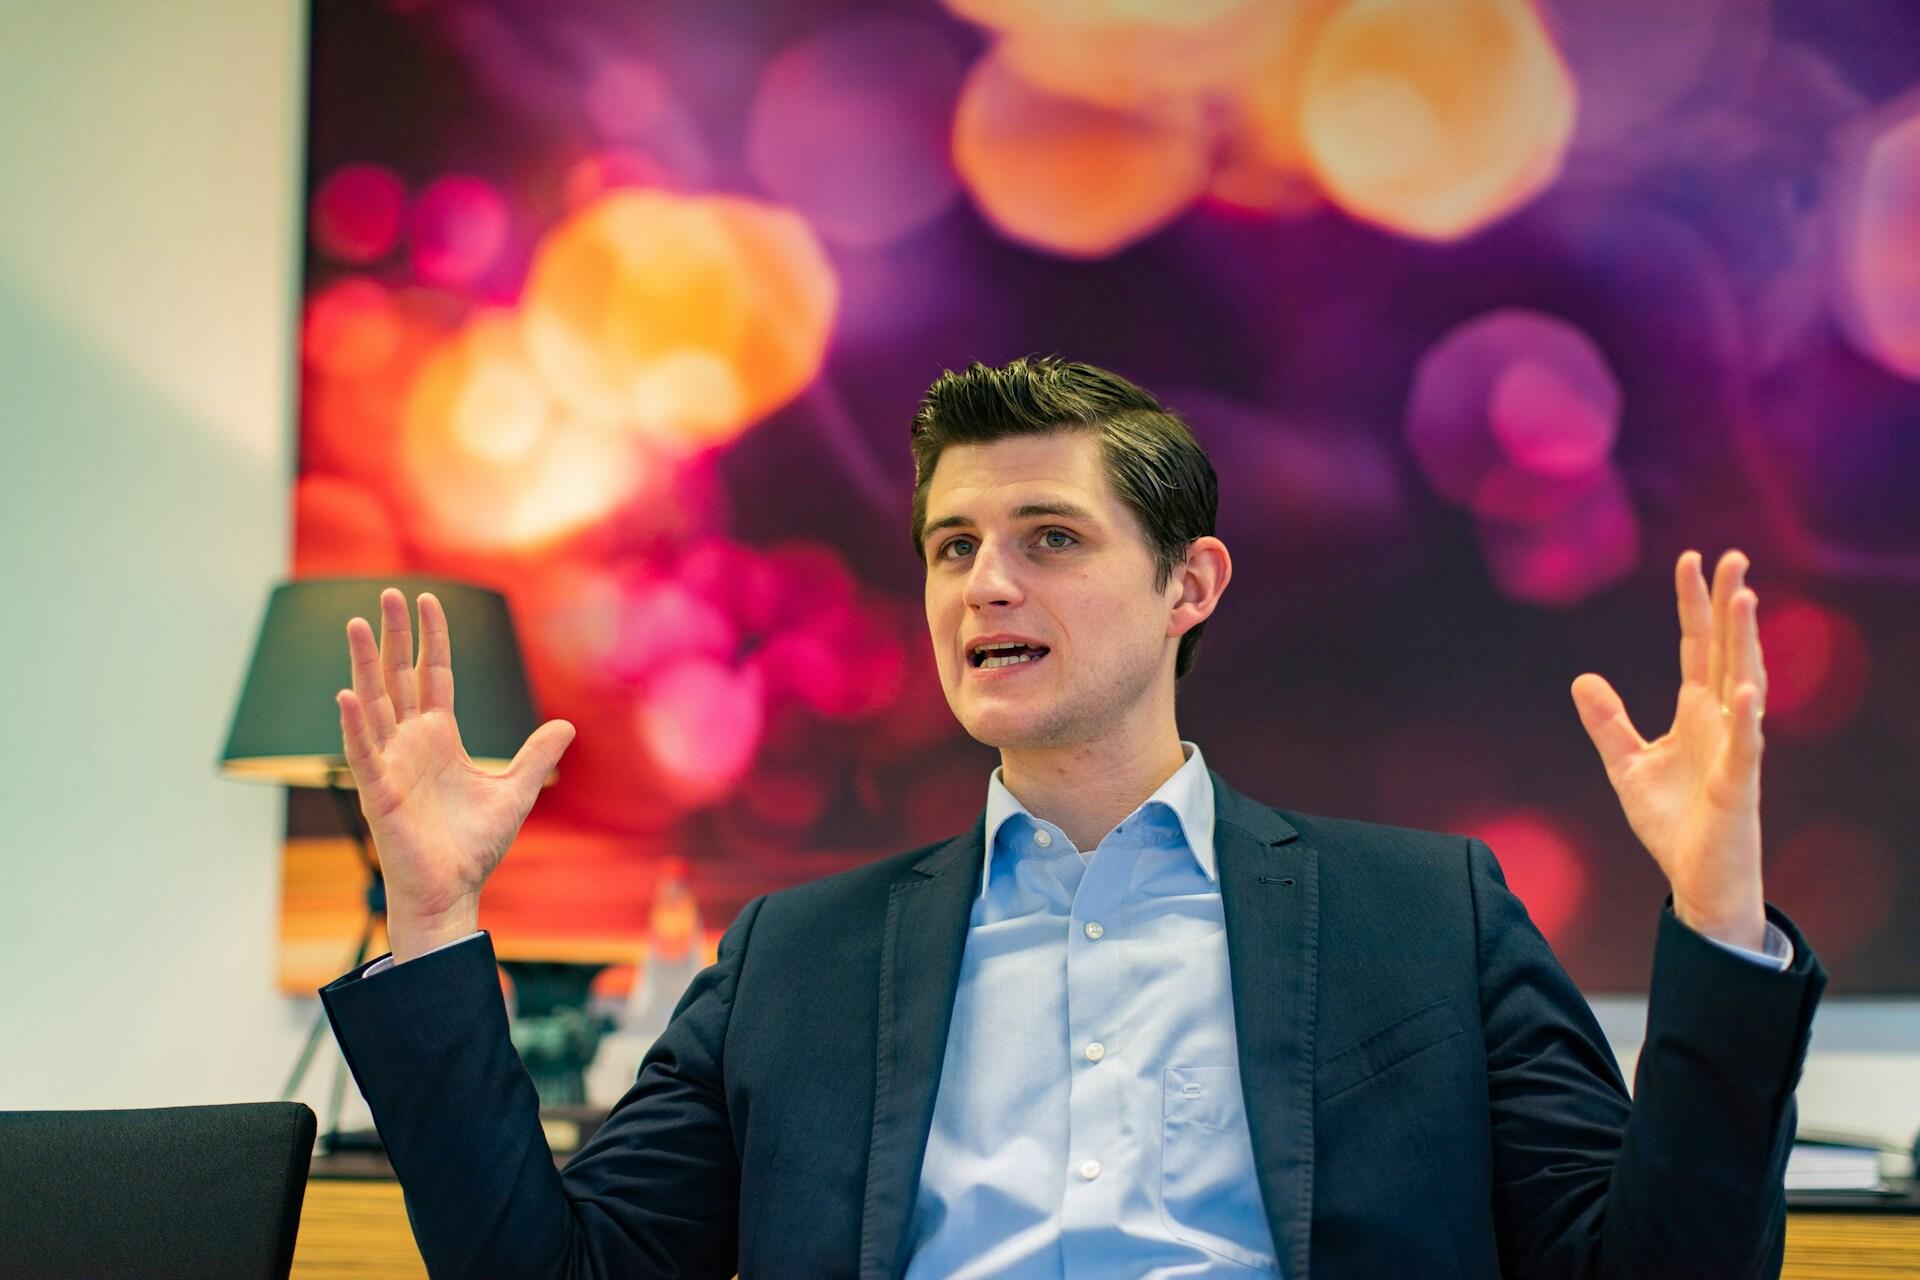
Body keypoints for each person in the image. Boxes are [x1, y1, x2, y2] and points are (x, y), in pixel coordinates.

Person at [321, 358, 1825, 1278]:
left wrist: (1716, 917)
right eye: (953, 545)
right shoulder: (795, 958)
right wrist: (441, 916)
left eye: (1051, 539)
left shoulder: (1429, 918)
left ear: (1192, 585)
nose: (986, 584)